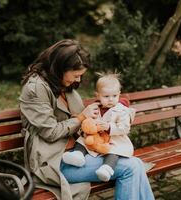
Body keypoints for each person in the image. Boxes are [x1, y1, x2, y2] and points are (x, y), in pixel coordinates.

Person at [19, 39, 154, 200]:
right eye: (76, 75)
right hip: (53, 162)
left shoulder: (63, 85)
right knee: (131, 167)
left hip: (80, 153)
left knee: (135, 165)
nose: (78, 80)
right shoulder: (35, 88)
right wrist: (83, 116)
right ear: (61, 67)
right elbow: (50, 132)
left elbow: (83, 124)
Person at [62, 72, 136, 182]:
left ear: (119, 94)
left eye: (114, 96)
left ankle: (107, 168)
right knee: (83, 141)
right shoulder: (94, 108)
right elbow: (87, 122)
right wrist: (87, 127)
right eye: (106, 96)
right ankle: (78, 155)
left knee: (114, 151)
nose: (111, 99)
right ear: (98, 95)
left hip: (113, 139)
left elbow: (125, 128)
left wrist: (109, 127)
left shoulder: (122, 111)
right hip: (95, 138)